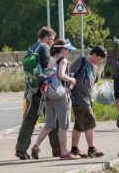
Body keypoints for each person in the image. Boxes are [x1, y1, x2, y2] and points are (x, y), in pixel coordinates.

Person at [14, 27, 61, 160]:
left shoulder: (31, 48)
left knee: (29, 120)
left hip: (32, 89)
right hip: (44, 90)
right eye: (52, 39)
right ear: (46, 38)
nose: (53, 42)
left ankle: (21, 149)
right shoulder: (44, 47)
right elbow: (48, 66)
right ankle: (58, 150)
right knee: (53, 119)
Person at [30, 39, 79, 161]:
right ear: (63, 50)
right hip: (60, 95)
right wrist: (72, 80)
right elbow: (62, 76)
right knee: (64, 126)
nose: (69, 52)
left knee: (49, 124)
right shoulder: (63, 60)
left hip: (48, 95)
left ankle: (36, 146)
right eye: (68, 49)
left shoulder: (51, 60)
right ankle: (64, 153)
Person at [69, 45, 107, 158]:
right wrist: (69, 91)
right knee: (90, 122)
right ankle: (91, 149)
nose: (100, 62)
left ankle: (74, 149)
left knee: (79, 125)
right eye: (99, 59)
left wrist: (95, 90)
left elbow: (95, 81)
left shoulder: (95, 67)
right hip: (79, 98)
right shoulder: (80, 61)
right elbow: (69, 74)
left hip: (88, 98)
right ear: (94, 55)